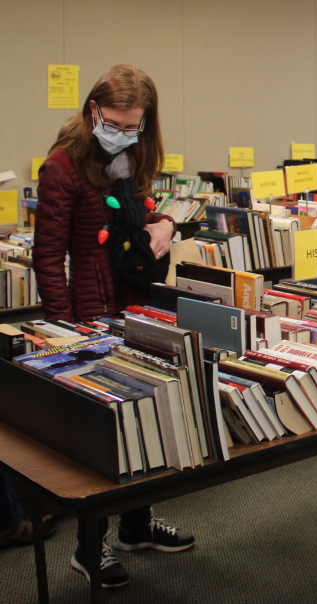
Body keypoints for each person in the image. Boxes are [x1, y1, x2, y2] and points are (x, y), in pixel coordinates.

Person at [34, 64, 194, 589]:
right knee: (102, 433)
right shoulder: (62, 167)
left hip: (135, 302)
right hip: (85, 313)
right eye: (116, 123)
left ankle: (136, 524)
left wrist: (165, 224)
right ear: (93, 110)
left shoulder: (133, 158)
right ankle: (89, 547)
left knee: (144, 414)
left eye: (135, 125)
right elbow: (48, 259)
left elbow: (132, 224)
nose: (124, 133)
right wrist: (63, 333)